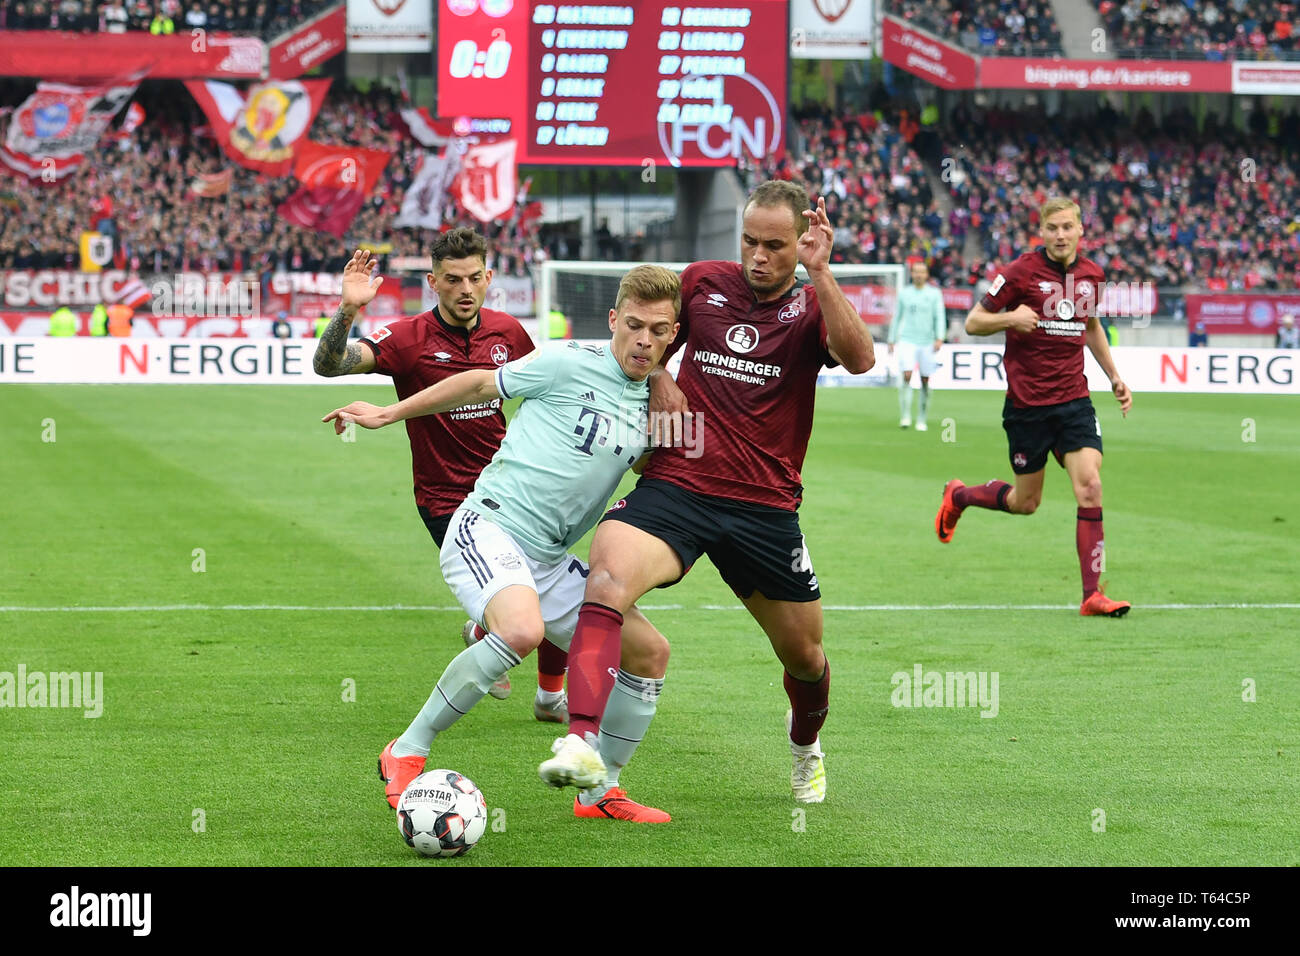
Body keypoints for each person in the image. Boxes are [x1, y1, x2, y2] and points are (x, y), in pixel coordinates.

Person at [539, 182, 876, 805]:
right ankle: (581, 741)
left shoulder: (809, 306)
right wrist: (663, 373)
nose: (757, 255)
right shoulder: (700, 282)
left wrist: (822, 273)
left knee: (804, 657)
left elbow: (859, 359)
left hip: (765, 507)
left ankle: (805, 747)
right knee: (606, 579)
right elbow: (646, 334)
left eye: (775, 245)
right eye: (749, 240)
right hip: (677, 485)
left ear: (800, 243)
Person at [324, 264, 683, 823]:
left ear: (673, 334)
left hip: (548, 558)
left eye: (659, 331)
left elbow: (672, 462)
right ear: (613, 320)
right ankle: (406, 750)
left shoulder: (656, 407)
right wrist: (391, 412)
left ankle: (599, 790)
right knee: (521, 630)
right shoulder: (566, 361)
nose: (644, 339)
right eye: (634, 324)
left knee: (649, 651)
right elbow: (477, 383)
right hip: (489, 526)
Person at [312, 228, 569, 721]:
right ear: (433, 282)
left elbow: (541, 397)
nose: (465, 289)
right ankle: (494, 638)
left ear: (489, 277)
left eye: (475, 277)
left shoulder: (509, 333)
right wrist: (348, 310)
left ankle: (547, 695)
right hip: (446, 500)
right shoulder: (408, 339)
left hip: (512, 489)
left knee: (549, 589)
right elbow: (330, 366)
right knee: (524, 601)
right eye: (453, 279)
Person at [935, 197, 1133, 618]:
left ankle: (1092, 595)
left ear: (1081, 230)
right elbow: (973, 322)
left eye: (1067, 227)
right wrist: (1010, 319)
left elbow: (1091, 326)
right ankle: (961, 496)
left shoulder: (1093, 275)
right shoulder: (1020, 272)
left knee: (1090, 486)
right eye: (1052, 228)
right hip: (1027, 406)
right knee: (1027, 503)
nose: (1060, 235)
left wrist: (1114, 375)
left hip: (1075, 401)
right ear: (1042, 232)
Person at [888, 257, 946, 430]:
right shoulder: (905, 293)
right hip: (907, 340)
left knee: (925, 379)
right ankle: (905, 416)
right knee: (906, 375)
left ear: (927, 274)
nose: (919, 275)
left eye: (922, 272)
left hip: (927, 341)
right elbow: (897, 317)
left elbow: (939, 316)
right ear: (911, 274)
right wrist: (892, 339)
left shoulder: (934, 294)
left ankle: (922, 418)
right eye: (916, 272)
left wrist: (940, 337)